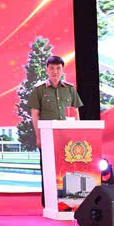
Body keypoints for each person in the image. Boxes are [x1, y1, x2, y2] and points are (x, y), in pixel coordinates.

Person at [28, 55, 84, 210]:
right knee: (48, 170)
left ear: (62, 70)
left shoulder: (70, 89)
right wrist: (38, 137)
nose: (55, 71)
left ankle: (68, 202)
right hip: (48, 138)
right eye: (51, 68)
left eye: (58, 68)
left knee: (69, 170)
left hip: (68, 139)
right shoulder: (39, 89)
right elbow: (35, 114)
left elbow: (76, 112)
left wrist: (78, 134)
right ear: (47, 69)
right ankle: (48, 203)